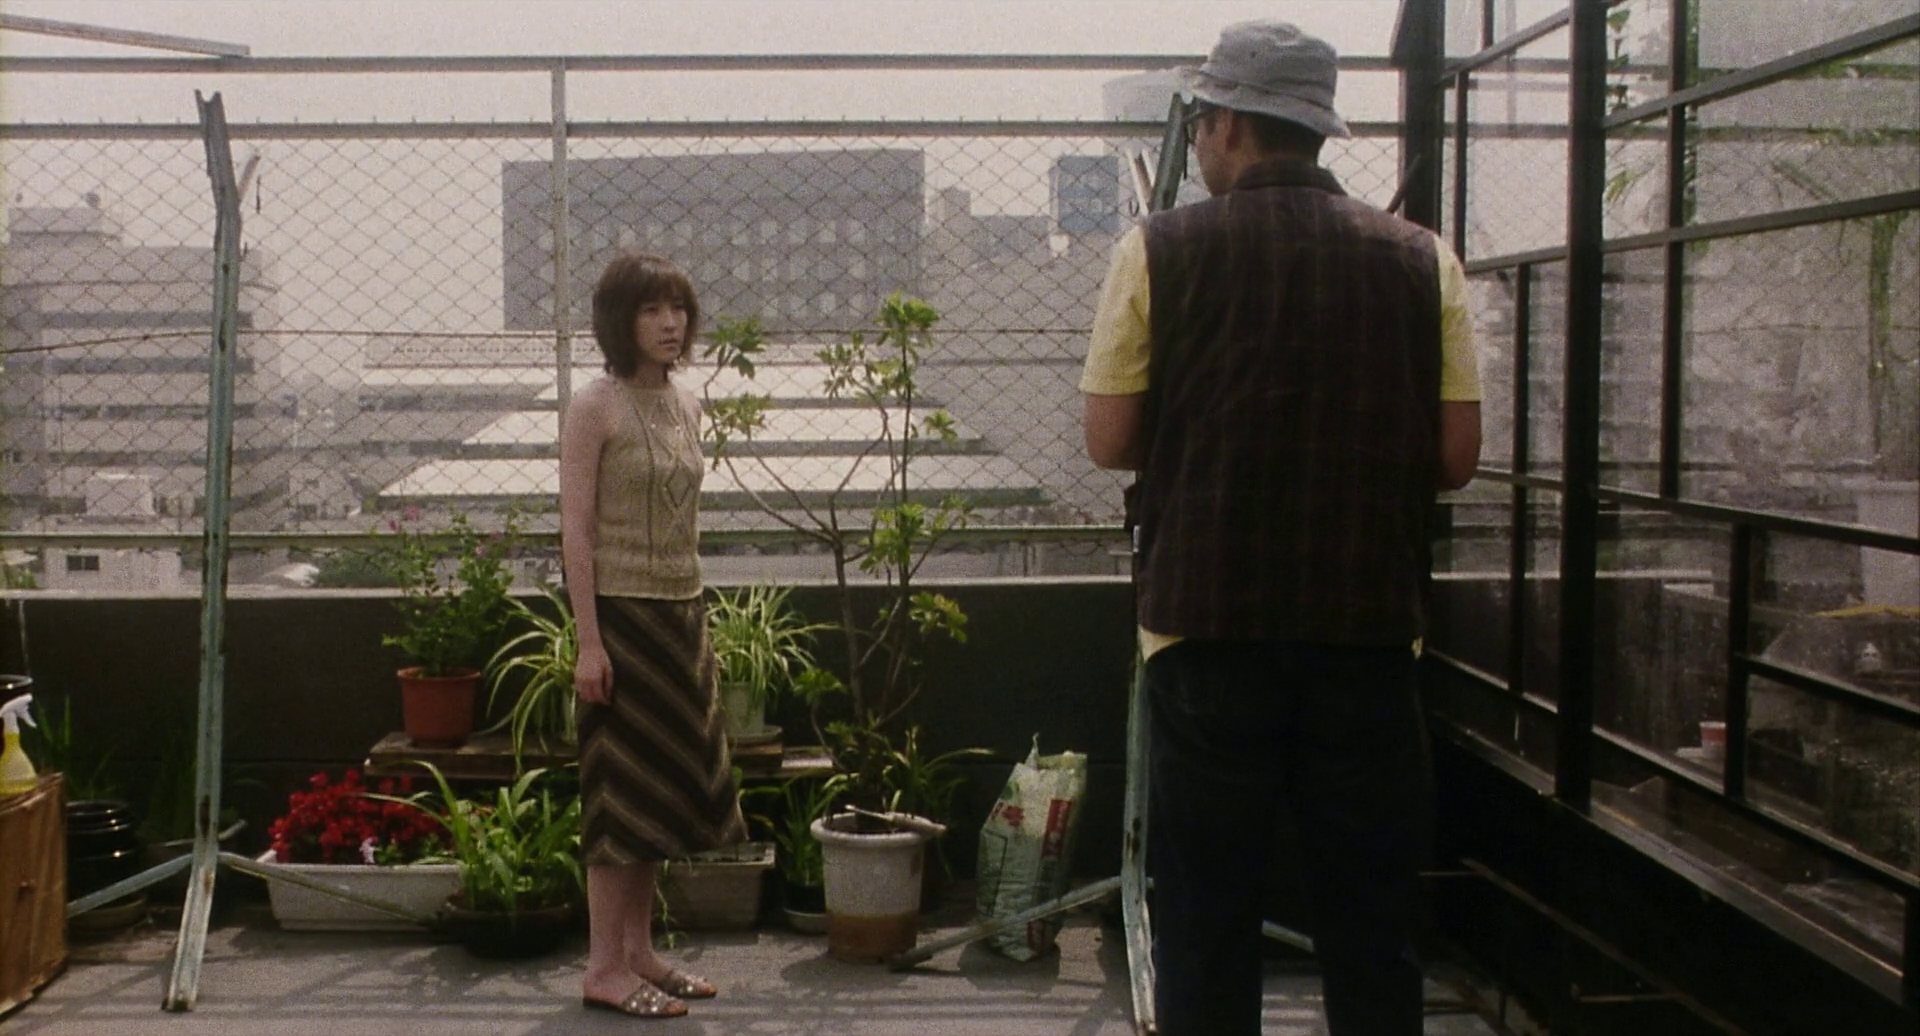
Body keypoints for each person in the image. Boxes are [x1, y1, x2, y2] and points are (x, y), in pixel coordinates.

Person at [1080, 20, 1482, 1036]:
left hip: (1206, 631)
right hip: (1367, 630)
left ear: (1225, 124)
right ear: (1317, 129)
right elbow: (1455, 456)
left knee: (1205, 923)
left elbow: (1110, 439)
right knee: (1372, 926)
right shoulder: (1421, 259)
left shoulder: (1157, 251)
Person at [561, 252, 746, 1019]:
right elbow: (575, 529)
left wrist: (696, 625)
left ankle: (638, 952)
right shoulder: (594, 406)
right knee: (620, 801)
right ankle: (603, 968)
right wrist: (589, 642)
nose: (670, 324)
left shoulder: (688, 404)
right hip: (621, 620)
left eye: (678, 309)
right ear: (620, 320)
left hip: (680, 616)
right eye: (650, 309)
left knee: (661, 798)